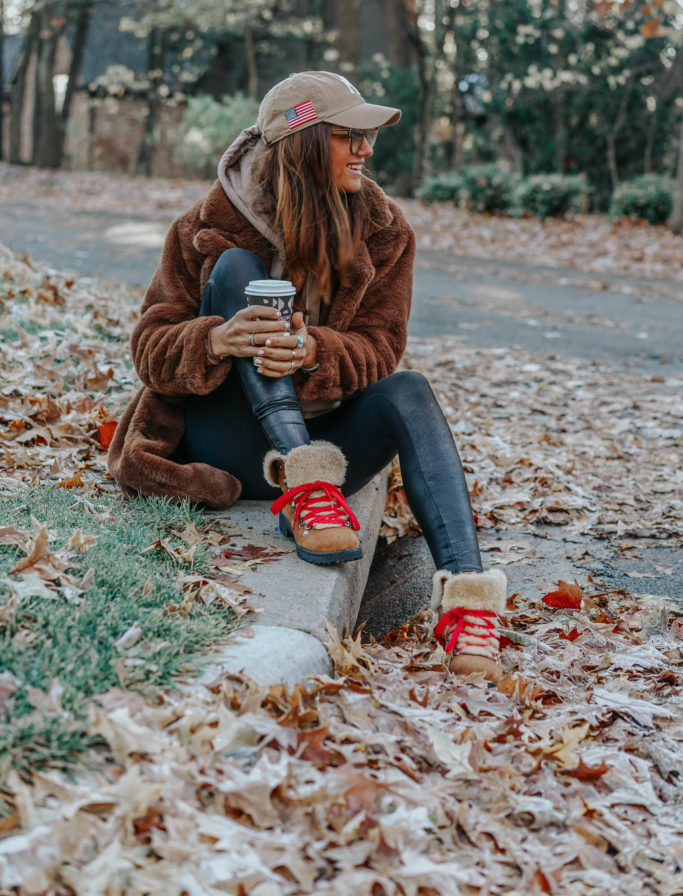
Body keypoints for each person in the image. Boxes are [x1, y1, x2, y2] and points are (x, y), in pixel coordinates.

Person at [108, 70, 507, 681]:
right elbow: (149, 347)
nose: (367, 150)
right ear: (304, 141)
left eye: (366, 137)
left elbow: (381, 348)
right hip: (231, 443)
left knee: (410, 390)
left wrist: (312, 351)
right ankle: (305, 485)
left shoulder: (384, 231)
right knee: (237, 269)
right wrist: (213, 339)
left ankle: (468, 604)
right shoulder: (204, 228)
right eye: (350, 135)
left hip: (332, 451)